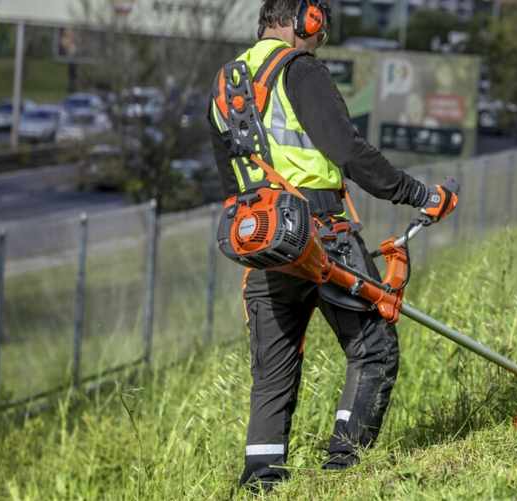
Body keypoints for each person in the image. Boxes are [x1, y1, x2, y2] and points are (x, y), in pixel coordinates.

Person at [207, 0, 458, 491]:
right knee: (373, 349)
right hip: (322, 235)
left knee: (273, 374)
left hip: (263, 241)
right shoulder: (300, 70)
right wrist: (419, 194)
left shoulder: (225, 84)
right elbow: (347, 150)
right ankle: (342, 471)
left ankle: (261, 485)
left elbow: (230, 179)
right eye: (320, 30)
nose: (320, 41)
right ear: (306, 20)